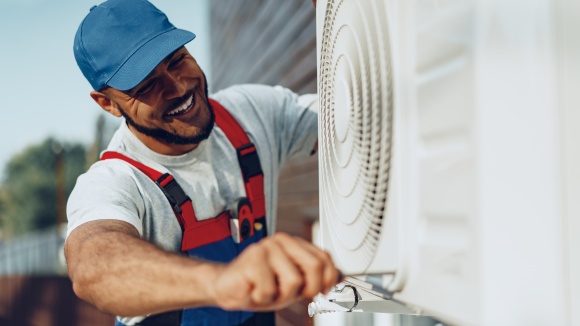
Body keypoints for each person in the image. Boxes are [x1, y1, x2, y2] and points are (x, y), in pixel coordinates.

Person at [64, 0, 339, 325]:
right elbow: (93, 266)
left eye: (177, 60)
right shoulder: (116, 181)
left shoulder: (252, 113)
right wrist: (222, 282)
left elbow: (356, 121)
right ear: (108, 103)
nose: (178, 87)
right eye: (147, 86)